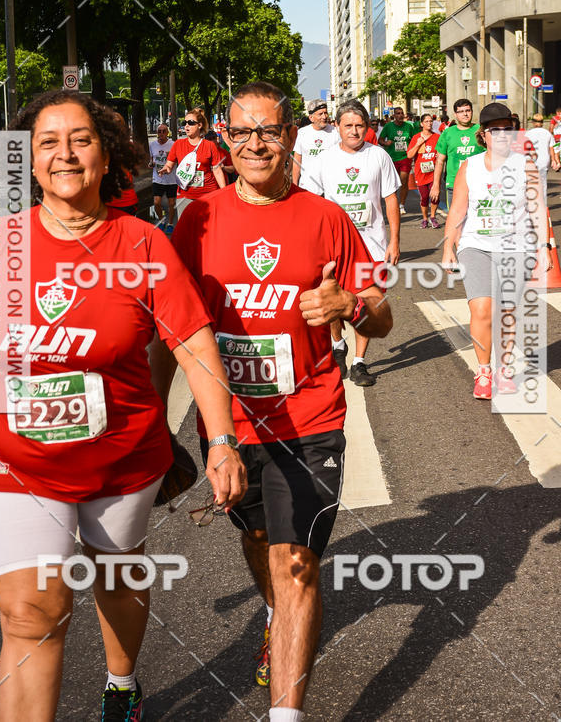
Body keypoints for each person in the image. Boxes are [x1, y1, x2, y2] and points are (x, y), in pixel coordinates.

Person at [0, 90, 247, 722]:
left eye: (81, 140)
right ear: (29, 161)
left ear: (106, 154)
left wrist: (222, 441)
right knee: (30, 614)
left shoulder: (142, 245)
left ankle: (122, 680)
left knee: (119, 579)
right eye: (47, 143)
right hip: (17, 463)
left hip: (121, 462)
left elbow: (195, 344)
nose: (65, 154)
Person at [171, 81, 392, 719]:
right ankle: (272, 613)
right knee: (259, 540)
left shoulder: (327, 219)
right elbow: (173, 329)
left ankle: (285, 713)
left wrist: (351, 306)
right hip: (230, 424)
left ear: (292, 136)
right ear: (226, 141)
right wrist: (161, 428)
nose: (255, 144)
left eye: (268, 131)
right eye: (241, 133)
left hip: (311, 417)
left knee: (295, 562)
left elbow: (382, 316)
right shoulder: (199, 220)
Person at [442, 102, 551, 400]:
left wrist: (544, 247)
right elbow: (457, 211)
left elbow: (537, 208)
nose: (502, 135)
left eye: (507, 129)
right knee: (480, 308)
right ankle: (484, 370)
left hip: (515, 246)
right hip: (476, 245)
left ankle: (504, 369)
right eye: (495, 130)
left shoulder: (524, 165)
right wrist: (448, 247)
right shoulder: (470, 167)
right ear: (484, 134)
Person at [317, 99, 400, 387]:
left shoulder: (378, 156)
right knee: (335, 303)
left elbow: (390, 199)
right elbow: (313, 205)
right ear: (337, 127)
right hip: (333, 247)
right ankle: (338, 343)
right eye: (348, 125)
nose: (354, 131)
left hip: (372, 246)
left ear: (367, 127)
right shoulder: (324, 159)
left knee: (369, 305)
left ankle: (359, 362)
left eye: (360, 125)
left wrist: (394, 241)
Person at [161, 108, 226, 219]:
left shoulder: (209, 145)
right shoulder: (178, 144)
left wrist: (224, 192)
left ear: (199, 125)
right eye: (184, 123)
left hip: (208, 194)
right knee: (187, 231)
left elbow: (217, 170)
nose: (186, 126)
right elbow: (169, 164)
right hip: (185, 195)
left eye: (191, 123)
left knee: (208, 231)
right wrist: (166, 168)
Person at [430, 98, 484, 209]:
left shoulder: (480, 130)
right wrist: (436, 185)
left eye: (468, 110)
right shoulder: (448, 133)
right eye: (461, 111)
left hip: (477, 183)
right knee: (455, 222)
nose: (465, 114)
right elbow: (440, 161)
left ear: (472, 112)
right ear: (455, 114)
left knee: (476, 221)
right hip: (454, 184)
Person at [292, 98, 340, 193]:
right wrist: (294, 185)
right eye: (320, 114)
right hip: (307, 188)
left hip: (330, 189)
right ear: (311, 118)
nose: (324, 116)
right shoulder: (301, 133)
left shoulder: (336, 133)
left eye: (325, 113)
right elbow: (297, 162)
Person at [378, 106, 415, 214]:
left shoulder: (408, 126)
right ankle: (393, 203)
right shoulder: (388, 126)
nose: (400, 115)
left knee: (404, 181)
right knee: (392, 183)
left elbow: (413, 139)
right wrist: (385, 143)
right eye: (397, 113)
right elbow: (380, 139)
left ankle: (401, 205)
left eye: (401, 113)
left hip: (404, 158)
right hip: (391, 158)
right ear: (394, 115)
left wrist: (412, 149)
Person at [407, 113, 441, 229]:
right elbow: (409, 155)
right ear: (421, 124)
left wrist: (439, 157)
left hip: (433, 172)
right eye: (426, 121)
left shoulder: (437, 137)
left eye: (431, 121)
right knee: (425, 197)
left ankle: (433, 217)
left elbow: (441, 153)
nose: (429, 123)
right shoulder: (417, 137)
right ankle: (425, 218)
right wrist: (418, 144)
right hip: (420, 173)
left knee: (435, 196)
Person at [106, 112, 140, 216]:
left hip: (109, 202)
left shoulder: (103, 147)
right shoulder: (130, 146)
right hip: (128, 201)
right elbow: (134, 169)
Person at [149, 122, 178, 232]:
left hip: (171, 179)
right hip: (157, 178)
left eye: (163, 131)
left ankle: (170, 224)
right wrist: (150, 164)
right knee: (156, 202)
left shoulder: (173, 144)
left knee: (171, 203)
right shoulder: (152, 145)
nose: (161, 133)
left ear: (167, 133)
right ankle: (161, 220)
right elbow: (151, 161)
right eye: (159, 131)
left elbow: (178, 160)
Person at [526, 113, 560, 199]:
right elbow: (552, 148)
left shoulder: (528, 134)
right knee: (543, 184)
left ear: (533, 122)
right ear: (542, 122)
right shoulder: (547, 134)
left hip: (531, 161)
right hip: (544, 160)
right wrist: (554, 160)